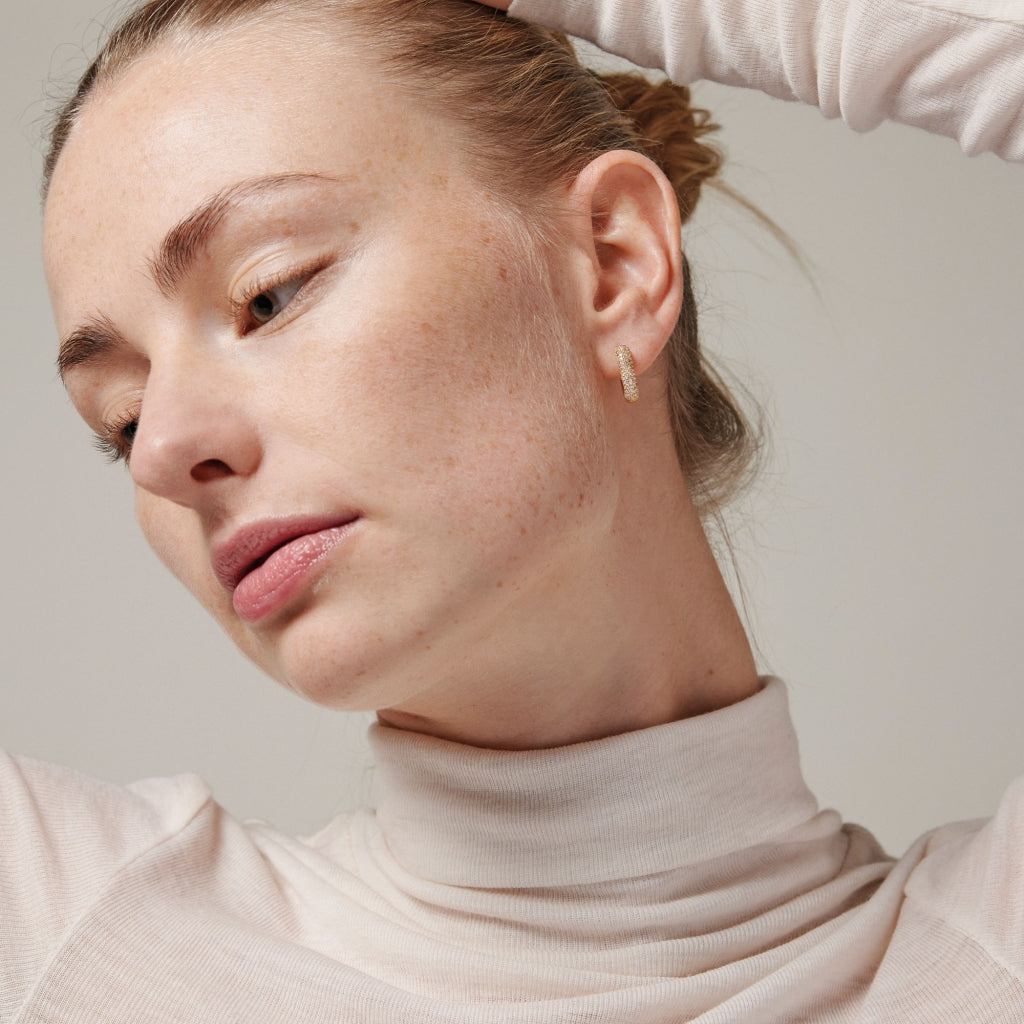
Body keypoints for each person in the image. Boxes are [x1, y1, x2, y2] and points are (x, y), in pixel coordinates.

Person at [4, 0, 1022, 1021]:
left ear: (614, 263)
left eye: (269, 294)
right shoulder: (80, 935)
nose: (163, 452)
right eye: (120, 419)